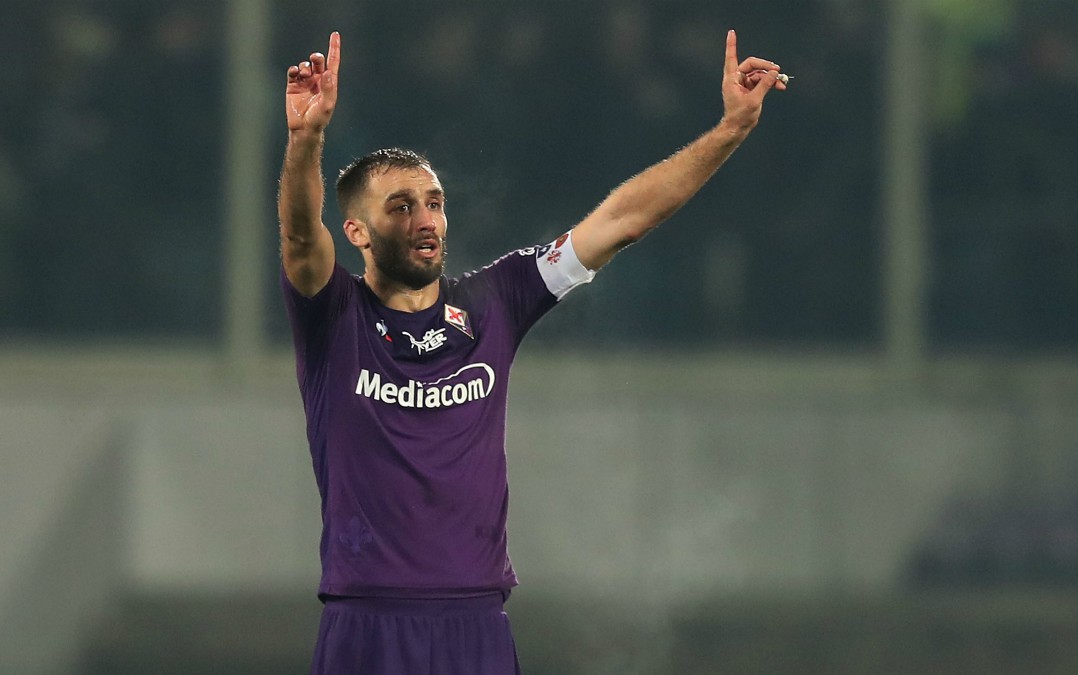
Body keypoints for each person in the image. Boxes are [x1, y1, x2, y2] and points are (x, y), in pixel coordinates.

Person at [279, 30, 785, 675]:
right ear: (357, 232)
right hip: (366, 621)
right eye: (401, 207)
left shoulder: (496, 301)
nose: (425, 220)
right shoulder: (336, 319)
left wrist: (729, 131)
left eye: (434, 202)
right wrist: (306, 141)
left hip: (477, 623)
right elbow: (299, 239)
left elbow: (622, 220)